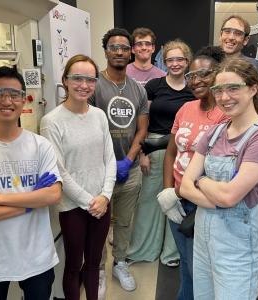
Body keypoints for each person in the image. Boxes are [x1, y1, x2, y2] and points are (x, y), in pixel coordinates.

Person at [180, 58, 258, 299]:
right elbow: (184, 186)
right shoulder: (215, 132)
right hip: (204, 242)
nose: (224, 97)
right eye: (218, 90)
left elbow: (229, 196)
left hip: (237, 249)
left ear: (253, 88)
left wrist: (201, 180)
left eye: (233, 88)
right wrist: (216, 193)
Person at [0, 66, 62, 300]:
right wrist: (30, 202)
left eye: (14, 94)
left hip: (37, 255)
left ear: (24, 99)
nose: (7, 100)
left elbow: (53, 195)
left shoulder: (40, 145)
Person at [40, 55, 116, 300]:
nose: (84, 85)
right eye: (77, 78)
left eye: (90, 79)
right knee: (74, 264)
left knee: (94, 262)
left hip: (101, 203)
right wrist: (89, 201)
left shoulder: (99, 115)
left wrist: (104, 196)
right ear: (65, 81)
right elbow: (59, 170)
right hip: (73, 205)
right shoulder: (51, 121)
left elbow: (110, 159)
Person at [159, 46, 227, 300]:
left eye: (204, 74)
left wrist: (197, 207)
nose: (196, 80)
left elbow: (222, 171)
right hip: (177, 199)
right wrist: (168, 192)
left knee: (198, 268)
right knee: (187, 265)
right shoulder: (186, 108)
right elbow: (171, 153)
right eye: (192, 75)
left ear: (218, 74)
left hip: (203, 203)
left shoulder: (226, 114)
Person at [127, 39, 195, 267]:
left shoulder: (194, 89)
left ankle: (171, 254)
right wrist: (142, 153)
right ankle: (143, 250)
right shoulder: (154, 86)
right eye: (170, 60)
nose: (175, 64)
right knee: (148, 201)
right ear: (164, 62)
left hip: (183, 149)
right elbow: (142, 124)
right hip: (155, 147)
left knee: (177, 200)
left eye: (180, 59)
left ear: (187, 62)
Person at [91, 28, 149, 294]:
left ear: (132, 52)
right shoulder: (94, 85)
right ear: (105, 51)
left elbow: (142, 129)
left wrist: (128, 160)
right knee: (100, 223)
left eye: (125, 48)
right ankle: (100, 269)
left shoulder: (138, 89)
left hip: (130, 169)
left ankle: (121, 262)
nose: (119, 52)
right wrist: (110, 166)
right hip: (100, 171)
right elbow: (88, 129)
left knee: (125, 222)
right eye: (114, 47)